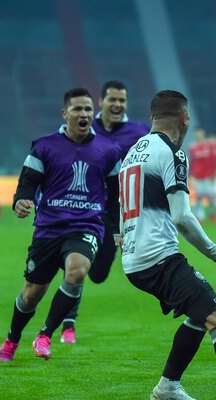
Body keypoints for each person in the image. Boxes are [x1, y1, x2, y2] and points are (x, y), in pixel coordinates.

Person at [120, 90, 216, 400]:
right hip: (158, 258)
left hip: (134, 258)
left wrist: (123, 238)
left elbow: (123, 204)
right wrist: (215, 252)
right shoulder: (171, 152)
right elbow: (182, 217)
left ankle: (168, 386)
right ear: (184, 119)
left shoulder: (132, 152)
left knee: (198, 313)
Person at [0, 87, 122, 362]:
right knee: (31, 295)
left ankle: (45, 335)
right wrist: (21, 201)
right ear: (65, 113)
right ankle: (12, 339)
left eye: (88, 109)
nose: (84, 113)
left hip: (86, 226)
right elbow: (26, 185)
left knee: (77, 271)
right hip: (49, 228)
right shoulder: (44, 146)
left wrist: (117, 231)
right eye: (78, 109)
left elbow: (114, 198)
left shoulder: (109, 151)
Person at [59, 80, 149, 344]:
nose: (118, 105)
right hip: (84, 207)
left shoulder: (139, 132)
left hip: (116, 212)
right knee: (75, 266)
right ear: (101, 101)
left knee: (97, 274)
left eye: (122, 101)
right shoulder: (84, 125)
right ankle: (68, 324)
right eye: (113, 100)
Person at [188, 127, 216, 224]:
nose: (198, 135)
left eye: (200, 133)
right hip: (198, 177)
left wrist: (215, 172)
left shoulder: (210, 145)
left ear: (203, 134)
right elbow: (192, 162)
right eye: (196, 134)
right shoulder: (192, 147)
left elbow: (214, 159)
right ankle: (200, 218)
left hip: (209, 176)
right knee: (199, 197)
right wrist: (190, 175)